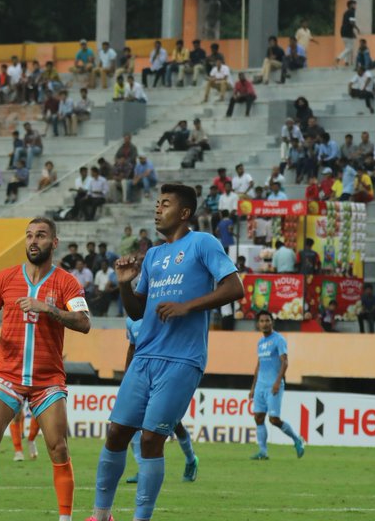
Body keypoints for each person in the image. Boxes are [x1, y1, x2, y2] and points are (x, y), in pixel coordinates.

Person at [86, 184, 243, 521]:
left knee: (151, 439)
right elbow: (138, 312)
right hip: (144, 357)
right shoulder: (154, 255)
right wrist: (126, 283)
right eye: (157, 203)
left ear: (184, 213)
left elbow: (234, 287)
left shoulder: (203, 243)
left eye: (166, 204)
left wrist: (188, 306)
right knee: (115, 433)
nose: (158, 209)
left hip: (182, 359)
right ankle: (101, 515)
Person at [0, 217, 91, 521]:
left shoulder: (66, 282)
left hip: (47, 380)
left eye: (40, 235)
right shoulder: (5, 278)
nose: (33, 241)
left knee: (59, 447)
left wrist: (49, 308)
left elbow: (84, 322)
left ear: (54, 242)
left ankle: (65, 518)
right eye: (29, 236)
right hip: (6, 375)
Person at [122, 315, 197, 484]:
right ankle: (142, 469)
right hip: (141, 376)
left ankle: (191, 459)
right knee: (130, 422)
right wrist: (127, 377)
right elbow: (132, 348)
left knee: (175, 424)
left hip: (166, 376)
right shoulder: (130, 320)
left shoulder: (161, 315)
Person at [248, 311, 306, 460]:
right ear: (258, 324)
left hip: (273, 385)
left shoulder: (279, 340)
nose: (265, 323)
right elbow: (259, 364)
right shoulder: (260, 343)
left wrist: (277, 382)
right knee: (258, 418)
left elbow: (285, 362)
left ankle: (297, 439)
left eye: (267, 320)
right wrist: (253, 387)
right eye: (261, 321)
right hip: (260, 385)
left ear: (272, 322)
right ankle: (263, 451)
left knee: (274, 419)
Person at [334, 0, 359, 68]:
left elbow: (348, 23)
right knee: (350, 48)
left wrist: (353, 32)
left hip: (343, 31)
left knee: (347, 47)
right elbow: (352, 22)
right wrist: (357, 29)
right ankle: (338, 58)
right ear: (350, 5)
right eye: (354, 4)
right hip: (347, 31)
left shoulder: (346, 12)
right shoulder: (352, 12)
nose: (355, 6)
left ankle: (346, 62)